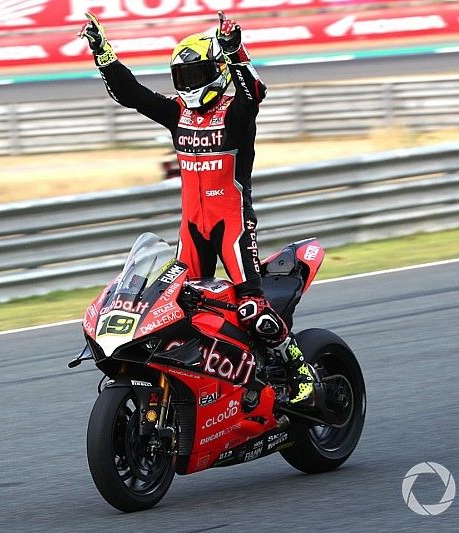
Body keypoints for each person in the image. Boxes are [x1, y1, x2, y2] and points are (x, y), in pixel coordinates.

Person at [79, 11, 315, 404]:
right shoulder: (178, 115)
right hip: (192, 228)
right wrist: (103, 53)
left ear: (217, 71)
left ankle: (298, 369)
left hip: (233, 226)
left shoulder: (237, 115)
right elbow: (132, 94)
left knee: (253, 309)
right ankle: (207, 389)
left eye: (196, 75)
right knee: (181, 312)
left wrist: (235, 50)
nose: (188, 85)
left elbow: (253, 92)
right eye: (181, 78)